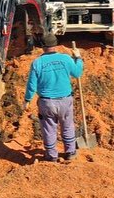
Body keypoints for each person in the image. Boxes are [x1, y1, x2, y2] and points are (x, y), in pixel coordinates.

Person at [24, 33, 83, 162]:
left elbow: (31, 85)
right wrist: (78, 58)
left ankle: (51, 156)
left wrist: (27, 100)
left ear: (42, 46)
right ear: (56, 45)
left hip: (47, 102)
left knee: (49, 128)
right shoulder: (66, 59)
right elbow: (77, 72)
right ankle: (70, 152)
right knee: (67, 126)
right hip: (65, 100)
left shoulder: (37, 63)